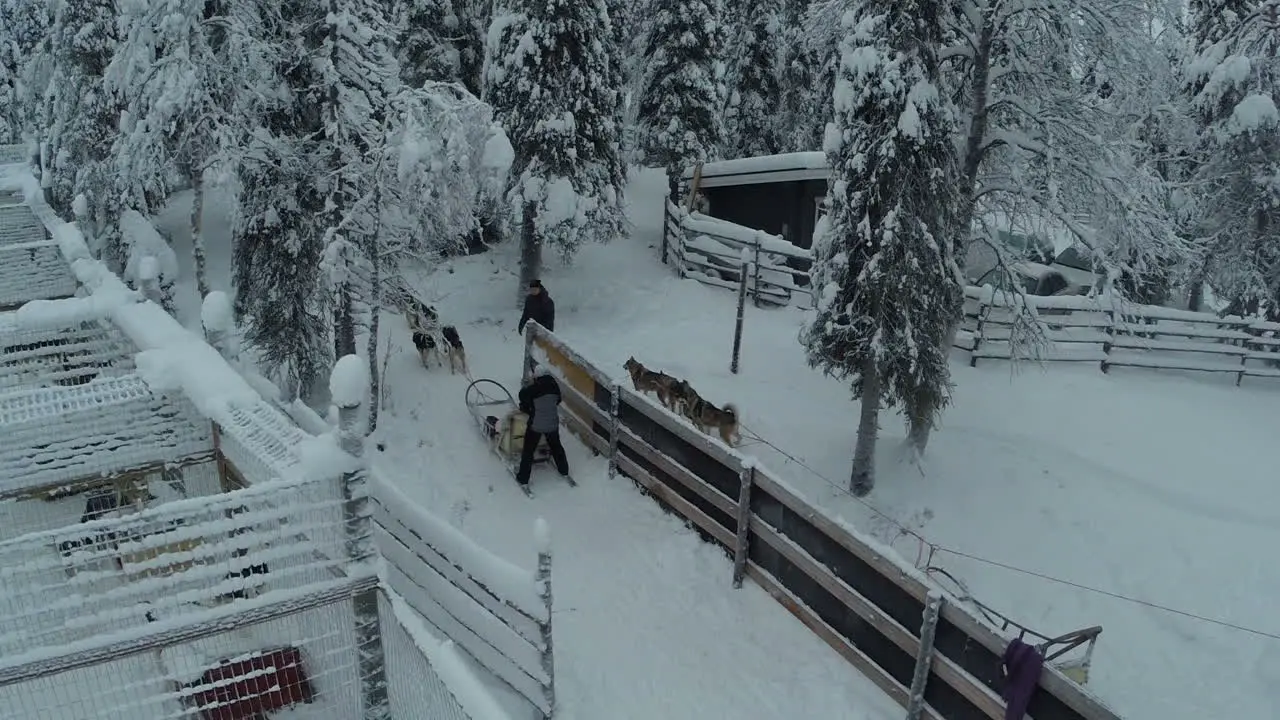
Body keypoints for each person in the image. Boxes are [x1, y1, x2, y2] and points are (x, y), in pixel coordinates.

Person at [515, 365, 570, 488]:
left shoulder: (534, 388)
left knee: (528, 450)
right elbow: (558, 400)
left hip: (536, 425)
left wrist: (527, 391)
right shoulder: (555, 387)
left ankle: (523, 478)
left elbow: (522, 396)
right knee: (556, 447)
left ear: (537, 377)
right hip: (552, 424)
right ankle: (564, 470)